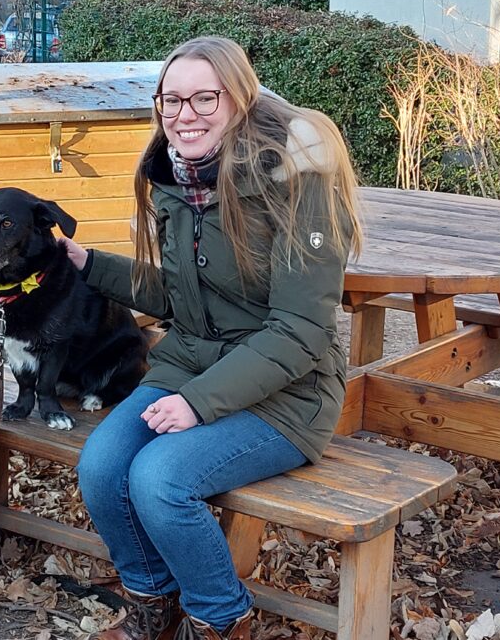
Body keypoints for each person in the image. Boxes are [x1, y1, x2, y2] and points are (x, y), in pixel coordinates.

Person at [62, 36, 362, 640]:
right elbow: (180, 295)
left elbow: (301, 330)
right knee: (101, 465)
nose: (185, 114)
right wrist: (86, 262)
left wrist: (199, 403)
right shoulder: (178, 181)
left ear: (239, 100)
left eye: (205, 98)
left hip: (289, 395)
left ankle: (219, 619)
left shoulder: (297, 179)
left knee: (160, 479)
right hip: (190, 369)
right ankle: (153, 606)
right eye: (172, 100)